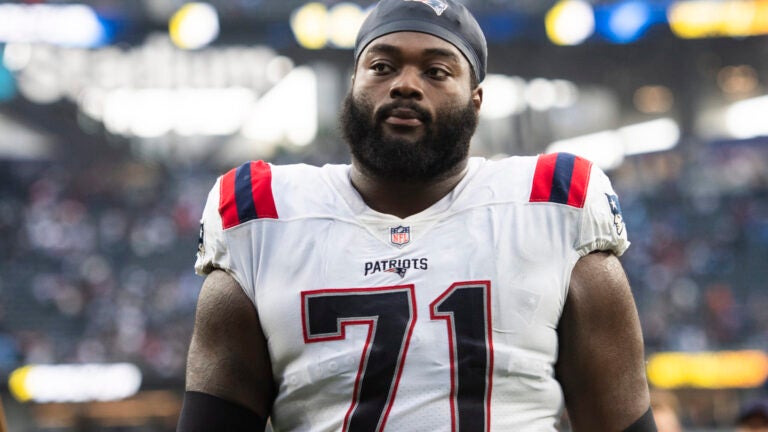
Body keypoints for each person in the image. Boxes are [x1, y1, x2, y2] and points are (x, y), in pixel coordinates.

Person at [178, 0, 656, 430]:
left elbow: (620, 420)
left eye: (437, 71)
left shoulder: (554, 205)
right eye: (382, 66)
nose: (405, 84)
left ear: (476, 100)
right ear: (354, 84)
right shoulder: (261, 217)